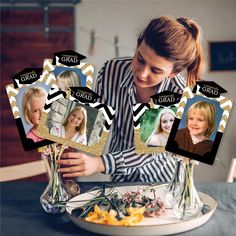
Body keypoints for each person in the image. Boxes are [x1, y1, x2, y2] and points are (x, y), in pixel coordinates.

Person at [57, 16, 205, 182]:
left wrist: (100, 163)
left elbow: (151, 150)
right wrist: (57, 121)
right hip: (120, 179)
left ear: (173, 73)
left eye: (155, 70)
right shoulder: (111, 71)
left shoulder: (179, 93)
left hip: (163, 181)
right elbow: (96, 120)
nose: (142, 73)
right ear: (137, 45)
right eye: (140, 59)